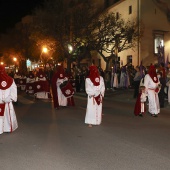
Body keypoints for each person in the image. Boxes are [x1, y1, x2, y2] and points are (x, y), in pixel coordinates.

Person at [0, 65, 18, 134]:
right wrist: (10, 97)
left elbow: (13, 90)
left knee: (6, 116)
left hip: (6, 102)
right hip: (6, 101)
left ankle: (6, 128)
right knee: (7, 116)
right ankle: (6, 128)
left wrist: (10, 98)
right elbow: (14, 89)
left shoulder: (11, 80)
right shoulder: (10, 79)